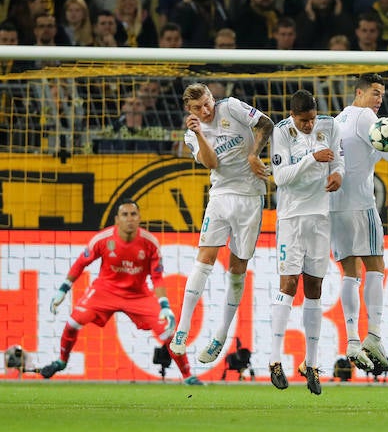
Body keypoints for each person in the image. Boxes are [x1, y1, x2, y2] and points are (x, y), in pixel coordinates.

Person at [40, 199, 201, 385]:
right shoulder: (103, 239)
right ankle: (61, 361)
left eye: (133, 214)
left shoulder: (150, 243)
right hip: (104, 291)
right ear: (117, 219)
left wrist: (164, 305)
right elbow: (81, 263)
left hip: (138, 294)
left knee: (168, 331)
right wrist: (63, 289)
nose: (129, 219)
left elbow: (157, 277)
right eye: (125, 215)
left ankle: (188, 376)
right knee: (72, 322)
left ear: (139, 218)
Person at [169, 84, 274, 364]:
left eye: (207, 103)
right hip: (220, 196)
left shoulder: (231, 107)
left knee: (238, 267)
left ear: (212, 98)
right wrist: (199, 134)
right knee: (204, 258)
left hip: (251, 197)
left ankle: (221, 334)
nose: (205, 110)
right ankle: (182, 329)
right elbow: (212, 163)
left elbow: (267, 124)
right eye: (198, 108)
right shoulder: (191, 136)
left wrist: (253, 154)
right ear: (188, 111)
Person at [330, 73, 388, 373]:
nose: (379, 100)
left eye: (382, 94)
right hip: (361, 204)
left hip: (335, 206)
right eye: (375, 93)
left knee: (350, 273)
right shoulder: (366, 116)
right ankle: (374, 336)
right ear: (359, 92)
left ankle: (352, 340)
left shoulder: (338, 119)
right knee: (376, 268)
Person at [268, 90, 343, 395]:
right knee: (288, 285)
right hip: (292, 219)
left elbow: (339, 159)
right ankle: (274, 359)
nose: (309, 125)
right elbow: (280, 177)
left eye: (312, 119)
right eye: (303, 121)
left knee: (315, 288)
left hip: (321, 217)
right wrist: (312, 157)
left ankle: (310, 364)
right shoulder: (281, 132)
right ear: (293, 116)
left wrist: (338, 174)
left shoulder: (330, 126)